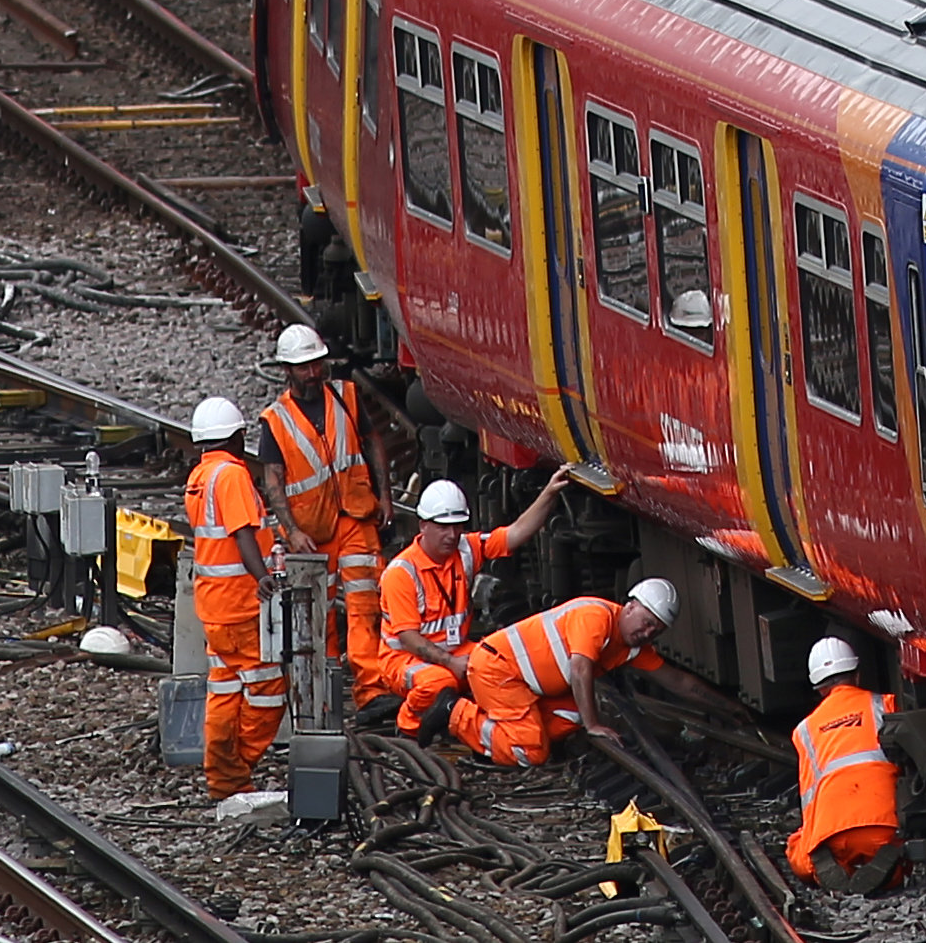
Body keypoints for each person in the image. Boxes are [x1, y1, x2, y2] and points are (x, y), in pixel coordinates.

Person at [433, 579, 735, 764]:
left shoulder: (629, 646)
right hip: (497, 669)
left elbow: (678, 681)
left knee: (570, 716)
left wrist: (729, 708)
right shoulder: (596, 616)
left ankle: (496, 725)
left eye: (655, 630)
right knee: (531, 752)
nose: (646, 632)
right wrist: (594, 725)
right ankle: (455, 712)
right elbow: (580, 669)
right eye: (645, 622)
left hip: (526, 683)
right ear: (629, 607)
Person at [370, 472, 569, 734]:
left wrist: (549, 493)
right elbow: (409, 638)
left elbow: (516, 533)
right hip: (404, 659)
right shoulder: (402, 573)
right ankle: (409, 726)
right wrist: (451, 663)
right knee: (440, 682)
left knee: (501, 664)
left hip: (455, 650)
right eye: (443, 527)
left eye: (458, 525)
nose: (452, 535)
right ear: (423, 526)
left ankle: (478, 720)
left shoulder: (465, 549)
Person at [255, 324, 386, 708]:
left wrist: (386, 495)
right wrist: (292, 532)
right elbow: (273, 482)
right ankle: (323, 699)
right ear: (287, 371)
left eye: (317, 364)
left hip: (356, 515)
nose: (313, 373)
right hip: (312, 530)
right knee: (318, 613)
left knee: (365, 604)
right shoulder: (275, 420)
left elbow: (372, 441)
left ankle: (371, 690)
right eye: (304, 367)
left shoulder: (346, 395)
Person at [185, 396, 284, 799]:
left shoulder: (200, 477)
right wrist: (263, 578)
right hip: (242, 606)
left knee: (225, 692)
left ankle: (223, 781)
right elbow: (243, 533)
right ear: (239, 436)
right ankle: (239, 764)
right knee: (269, 689)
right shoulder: (232, 476)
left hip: (214, 606)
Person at [785, 639, 904, 892]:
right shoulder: (885, 705)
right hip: (885, 827)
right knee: (903, 848)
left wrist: (812, 837)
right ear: (857, 675)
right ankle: (892, 861)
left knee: (798, 847)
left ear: (818, 688)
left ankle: (819, 862)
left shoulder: (804, 731)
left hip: (833, 833)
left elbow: (809, 797)